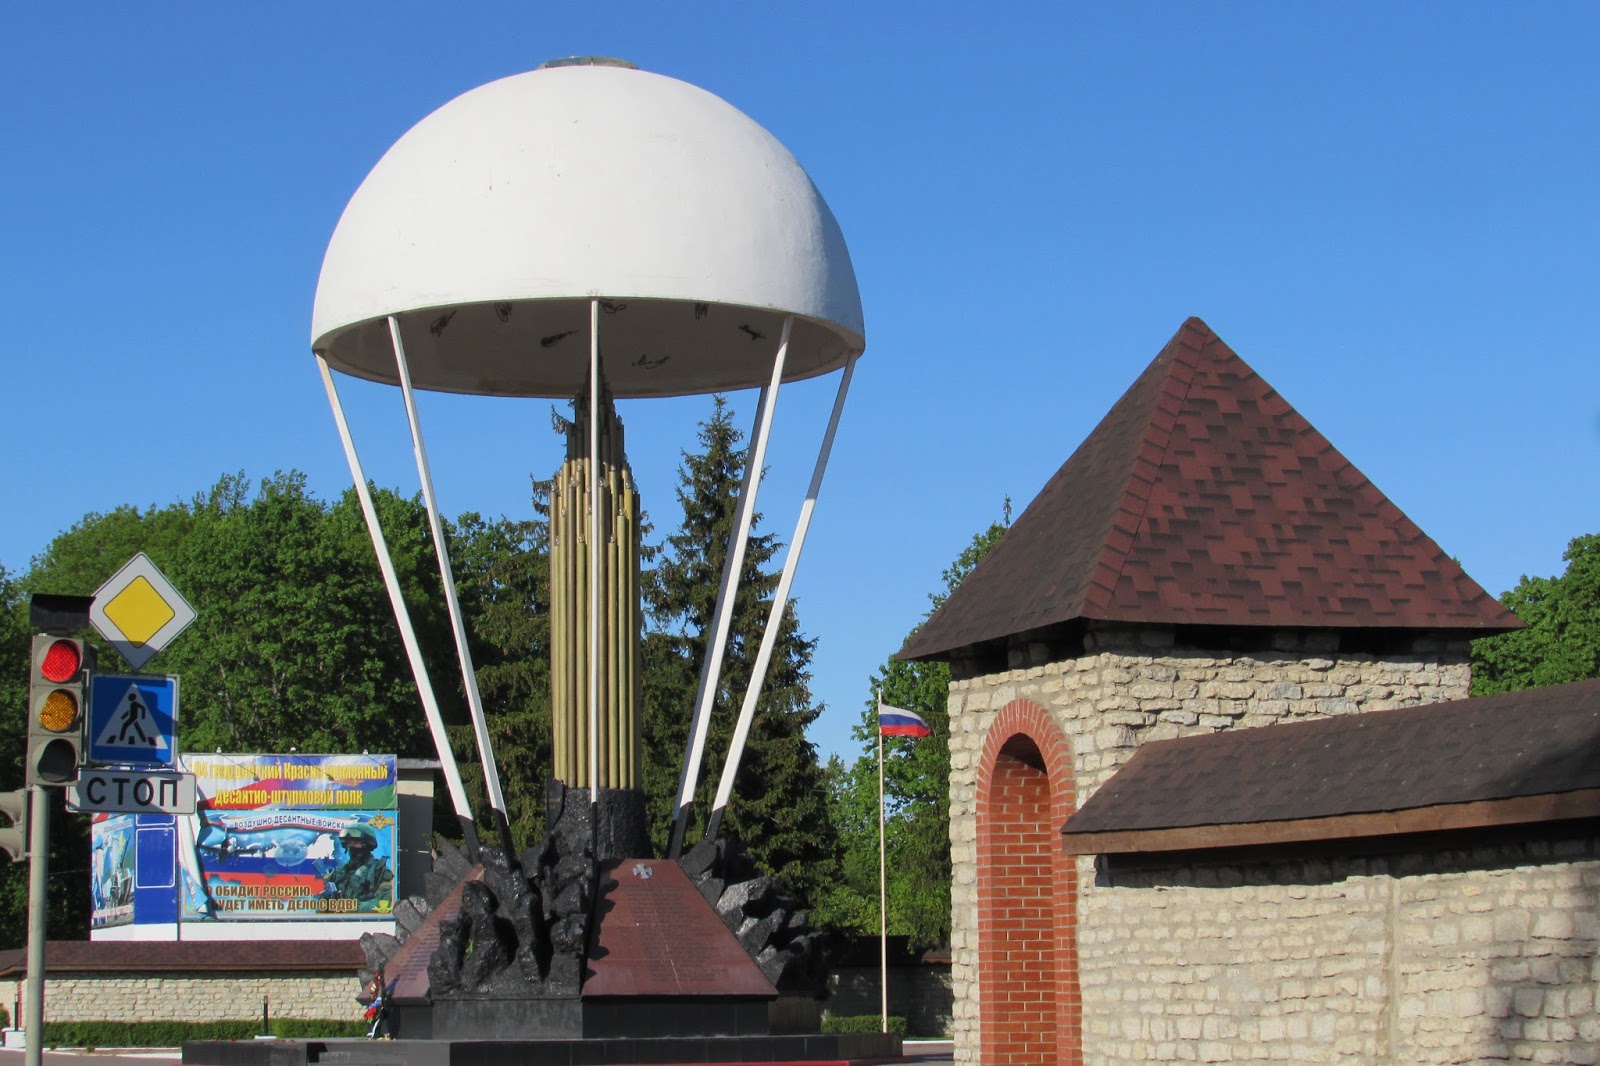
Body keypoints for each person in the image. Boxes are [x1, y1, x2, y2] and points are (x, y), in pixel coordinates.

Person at [326, 823, 393, 905]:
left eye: (355, 842)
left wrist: (353, 907)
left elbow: (385, 903)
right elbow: (321, 907)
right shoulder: (340, 871)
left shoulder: (379, 871)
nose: (350, 847)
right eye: (348, 843)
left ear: (367, 844)